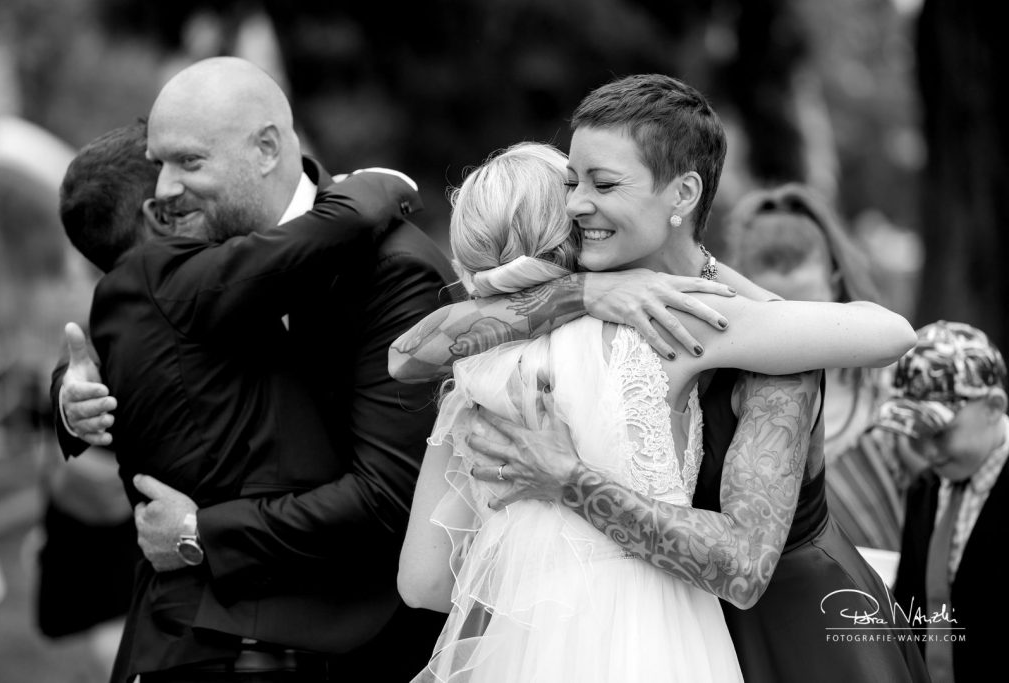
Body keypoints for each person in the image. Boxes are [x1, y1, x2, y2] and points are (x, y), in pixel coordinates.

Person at [391, 74, 929, 682]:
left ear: (682, 195)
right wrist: (586, 291)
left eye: (604, 184)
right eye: (571, 182)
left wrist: (568, 481)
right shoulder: (576, 312)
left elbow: (890, 333)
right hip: (664, 627)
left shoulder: (734, 328)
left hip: (799, 635)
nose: (574, 205)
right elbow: (405, 357)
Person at [52, 58, 452, 683]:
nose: (162, 192)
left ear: (266, 149)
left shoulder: (392, 269)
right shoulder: (189, 242)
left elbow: (389, 498)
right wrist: (69, 394)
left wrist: (198, 532)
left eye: (189, 162)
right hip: (178, 638)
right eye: (158, 166)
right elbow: (120, 326)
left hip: (339, 646)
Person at [724, 182, 928, 551]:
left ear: (836, 282)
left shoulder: (889, 387)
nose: (800, 332)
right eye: (779, 311)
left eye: (809, 308)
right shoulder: (725, 395)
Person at [884, 321, 1008, 683]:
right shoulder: (926, 488)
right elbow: (913, 599)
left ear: (993, 407)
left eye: (940, 432)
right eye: (917, 433)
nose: (928, 450)